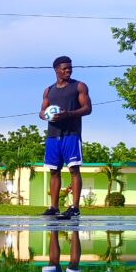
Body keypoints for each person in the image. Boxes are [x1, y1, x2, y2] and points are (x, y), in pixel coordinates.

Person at [39, 56, 92, 220]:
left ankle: (75, 207)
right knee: (54, 170)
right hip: (53, 136)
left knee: (74, 169)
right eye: (64, 68)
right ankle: (54, 207)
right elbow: (42, 111)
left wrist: (69, 114)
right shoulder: (49, 90)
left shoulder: (79, 86)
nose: (68, 70)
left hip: (71, 134)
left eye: (70, 68)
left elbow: (87, 108)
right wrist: (44, 115)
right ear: (56, 70)